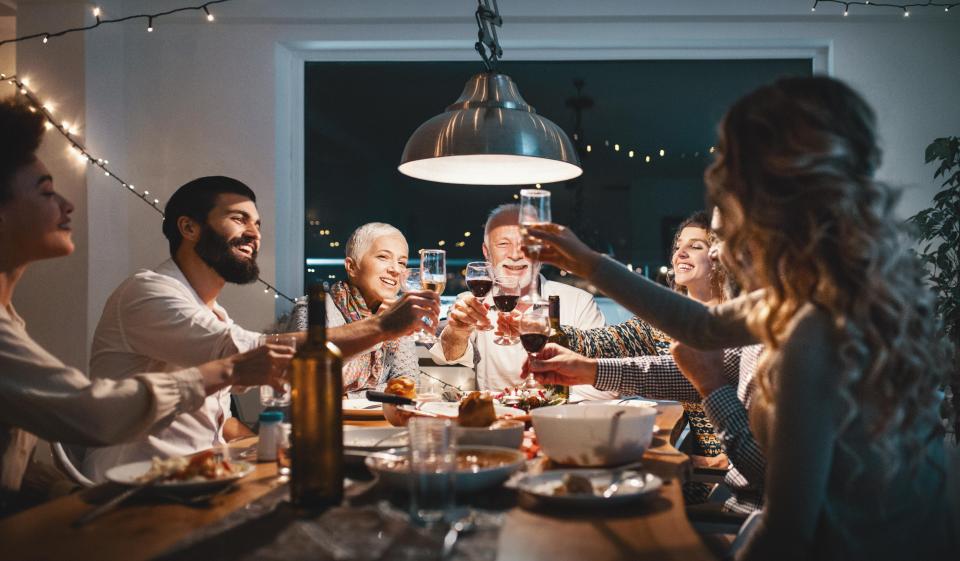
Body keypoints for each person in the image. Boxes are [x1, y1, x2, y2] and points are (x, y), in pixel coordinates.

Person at [526, 77, 957, 560]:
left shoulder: (815, 326)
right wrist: (589, 294)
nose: (719, 186)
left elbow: (789, 532)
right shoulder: (804, 293)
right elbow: (699, 332)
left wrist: (713, 392)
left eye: (730, 172)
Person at [0, 97, 291, 515]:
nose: (68, 205)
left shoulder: (11, 320)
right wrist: (226, 371)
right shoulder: (147, 292)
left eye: (257, 223)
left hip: (176, 490)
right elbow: (89, 413)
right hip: (143, 493)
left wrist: (59, 495)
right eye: (46, 192)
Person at [82, 178, 439, 481]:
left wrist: (254, 440)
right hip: (135, 487)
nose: (253, 233)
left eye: (257, 224)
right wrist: (381, 327)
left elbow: (222, 400)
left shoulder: (213, 312)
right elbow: (250, 355)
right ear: (189, 227)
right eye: (239, 219)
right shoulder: (148, 291)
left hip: (201, 477)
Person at [524, 213, 766, 513]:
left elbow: (768, 473)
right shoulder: (754, 317)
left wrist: (711, 385)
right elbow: (680, 369)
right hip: (741, 507)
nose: (715, 252)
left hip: (747, 520)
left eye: (718, 241)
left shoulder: (782, 330)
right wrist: (590, 370)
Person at [430, 204, 605, 398]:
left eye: (525, 244)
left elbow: (605, 391)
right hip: (496, 423)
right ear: (487, 253)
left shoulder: (580, 303)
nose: (515, 255)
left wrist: (540, 401)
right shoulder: (471, 302)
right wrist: (457, 331)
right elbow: (449, 359)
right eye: (503, 244)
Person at [288, 222, 418, 393]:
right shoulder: (313, 309)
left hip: (376, 420)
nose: (396, 270)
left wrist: (353, 397)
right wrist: (377, 328)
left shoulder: (397, 316)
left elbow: (409, 383)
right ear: (352, 267)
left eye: (402, 262)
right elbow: (310, 381)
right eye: (383, 257)